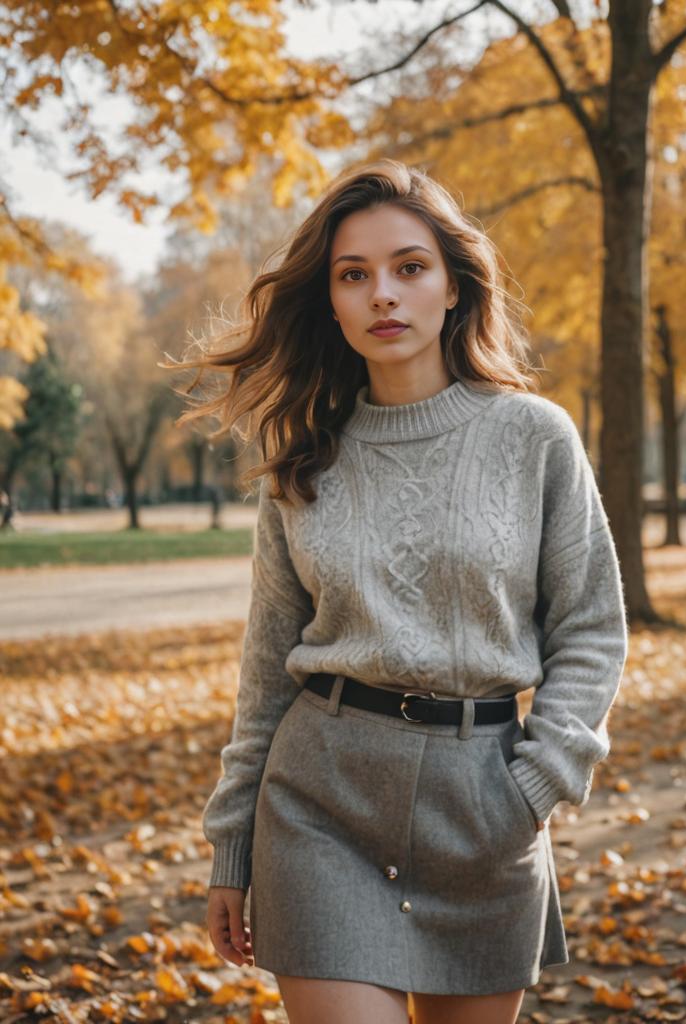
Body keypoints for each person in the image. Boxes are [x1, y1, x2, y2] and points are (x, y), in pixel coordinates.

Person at [167, 159, 629, 1024]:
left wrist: (537, 784)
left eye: (409, 267)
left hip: (485, 809)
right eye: (355, 275)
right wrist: (232, 847)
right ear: (332, 302)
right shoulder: (304, 458)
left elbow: (592, 628)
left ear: (453, 286)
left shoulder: (535, 437)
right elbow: (267, 668)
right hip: (319, 808)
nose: (384, 293)